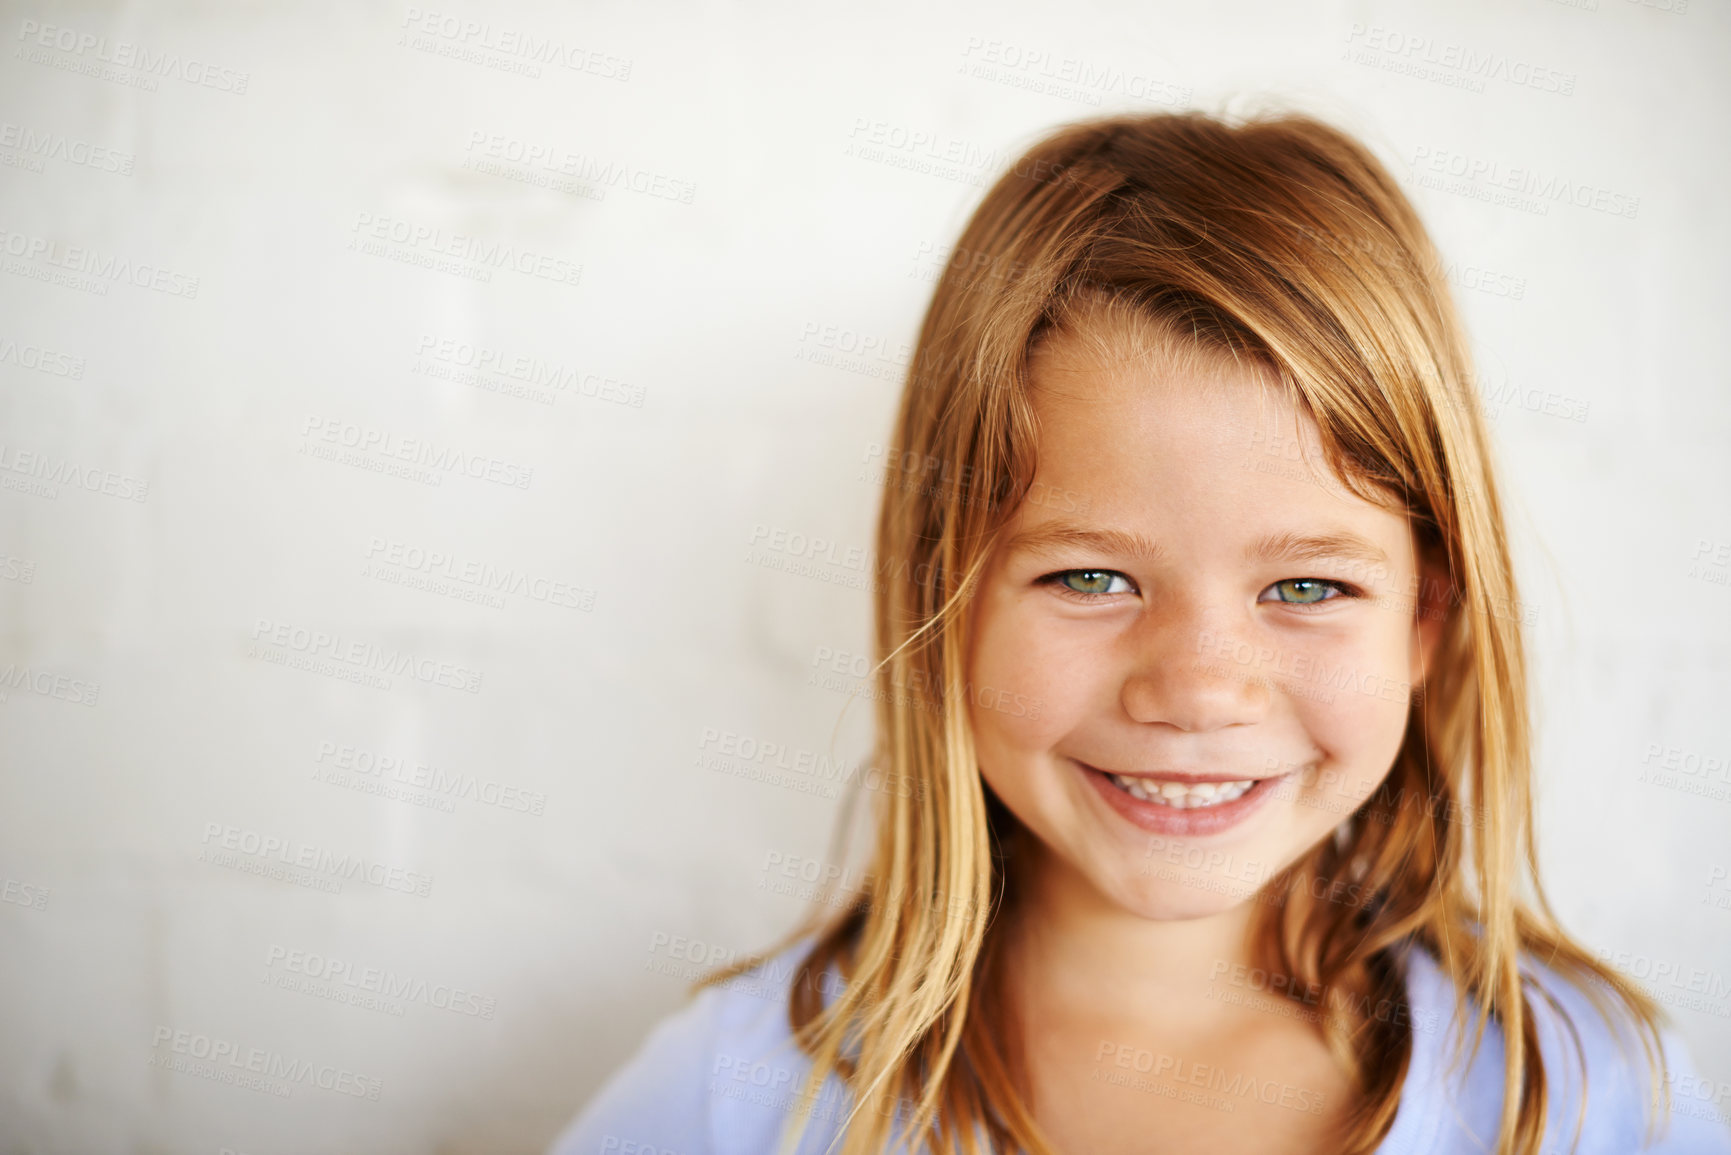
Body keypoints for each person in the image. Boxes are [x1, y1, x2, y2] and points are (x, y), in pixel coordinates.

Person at [549, 109, 1731, 1154]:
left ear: (1428, 619)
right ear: (942, 605)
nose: (1201, 689)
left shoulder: (1584, 1094)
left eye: (1308, 589)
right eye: (1092, 576)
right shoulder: (744, 1095)